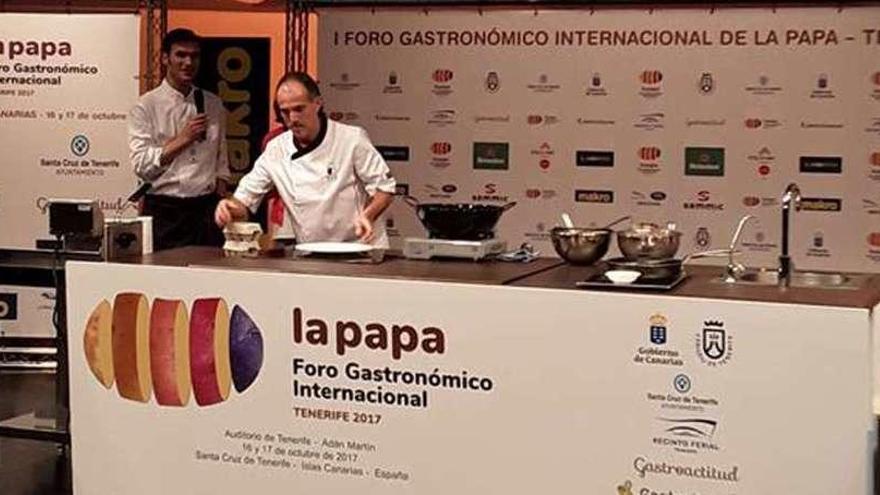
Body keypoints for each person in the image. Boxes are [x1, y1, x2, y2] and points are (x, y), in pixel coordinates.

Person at [214, 72, 396, 247]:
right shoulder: (275, 150)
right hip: (310, 251)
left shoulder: (351, 139)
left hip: (359, 246)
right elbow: (244, 200)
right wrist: (230, 208)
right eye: (285, 112)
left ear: (317, 103)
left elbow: (384, 189)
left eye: (299, 109)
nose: (293, 118)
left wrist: (368, 215)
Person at [128, 28, 230, 251]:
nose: (188, 62)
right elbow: (141, 166)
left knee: (209, 279)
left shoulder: (213, 103)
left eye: (194, 56)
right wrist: (183, 139)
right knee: (164, 281)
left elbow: (222, 160)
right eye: (181, 55)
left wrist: (221, 197)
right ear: (166, 58)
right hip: (165, 209)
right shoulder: (146, 106)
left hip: (205, 210)